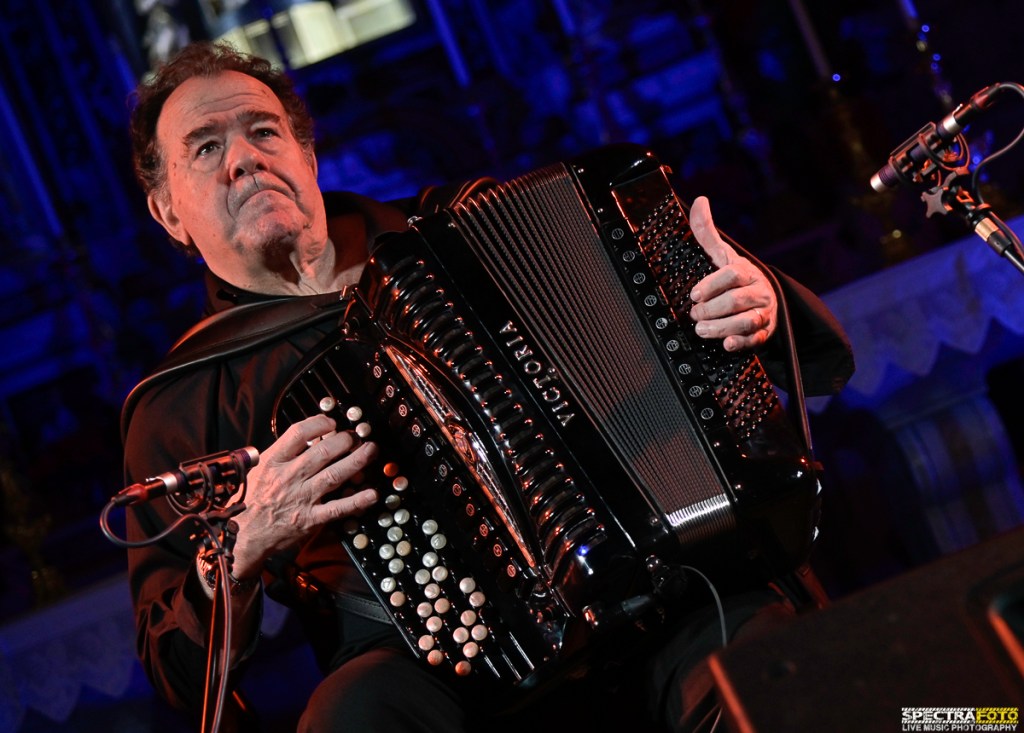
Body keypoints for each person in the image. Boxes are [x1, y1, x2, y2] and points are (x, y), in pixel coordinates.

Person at [121, 41, 854, 733]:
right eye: (206, 148)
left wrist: (754, 300)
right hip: (445, 680)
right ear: (167, 212)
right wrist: (240, 550)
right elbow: (179, 673)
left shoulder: (467, 225)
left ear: (307, 155)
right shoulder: (183, 400)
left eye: (264, 131)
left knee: (769, 652)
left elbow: (775, 344)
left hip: (661, 588)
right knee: (352, 713)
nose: (244, 159)